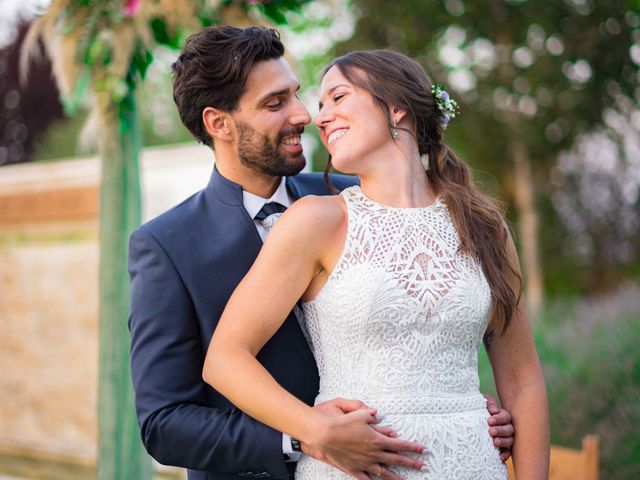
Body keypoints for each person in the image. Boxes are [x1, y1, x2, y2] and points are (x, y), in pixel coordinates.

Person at [128, 26, 516, 480]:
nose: (303, 115)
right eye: (275, 104)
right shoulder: (167, 245)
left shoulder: (361, 200)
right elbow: (164, 423)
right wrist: (302, 438)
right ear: (219, 124)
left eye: (296, 95)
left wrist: (464, 411)